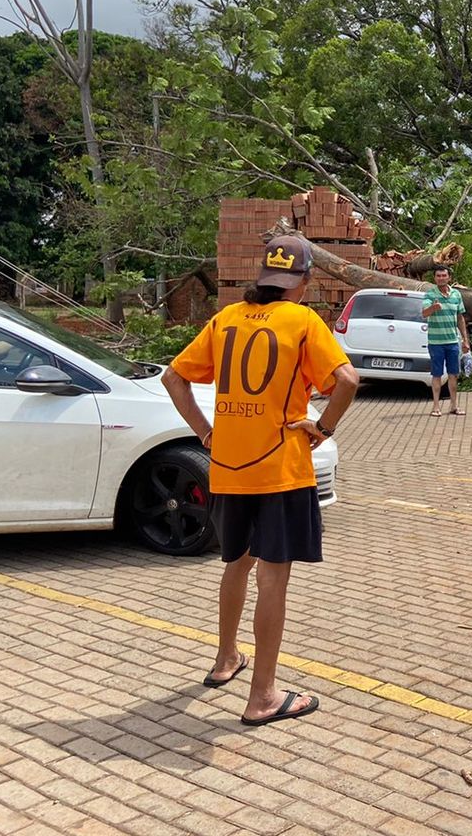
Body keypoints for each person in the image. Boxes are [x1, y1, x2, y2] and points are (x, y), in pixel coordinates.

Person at [161, 234, 359, 727]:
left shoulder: (226, 319)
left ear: (262, 279)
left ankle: (226, 658)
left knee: (237, 563)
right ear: (304, 282)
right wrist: (324, 426)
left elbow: (173, 377)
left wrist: (205, 432)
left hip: (229, 467)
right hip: (280, 469)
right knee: (273, 576)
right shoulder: (302, 320)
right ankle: (263, 696)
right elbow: (349, 380)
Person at [422, 266, 470, 417]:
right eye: (438, 276)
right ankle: (436, 406)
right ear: (434, 278)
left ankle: (454, 405)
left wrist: (464, 340)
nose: (441, 278)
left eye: (444, 275)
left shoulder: (456, 294)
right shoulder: (430, 295)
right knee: (436, 374)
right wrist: (434, 307)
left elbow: (460, 318)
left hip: (452, 341)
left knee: (453, 374)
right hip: (436, 342)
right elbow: (424, 313)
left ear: (449, 277)